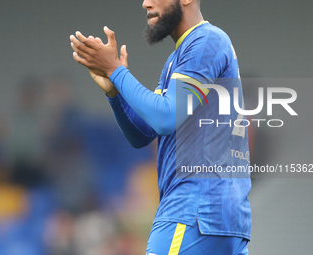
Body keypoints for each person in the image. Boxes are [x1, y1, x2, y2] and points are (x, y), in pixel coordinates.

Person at [70, 0, 251, 254]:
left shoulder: (206, 40)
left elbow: (166, 117)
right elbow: (143, 132)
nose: (145, 3)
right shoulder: (183, 55)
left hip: (192, 212)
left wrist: (116, 70)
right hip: (220, 218)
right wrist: (114, 90)